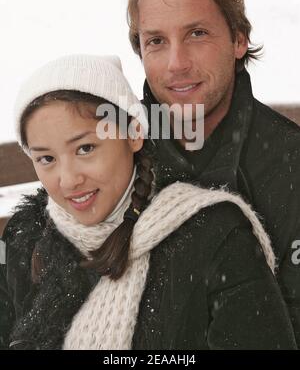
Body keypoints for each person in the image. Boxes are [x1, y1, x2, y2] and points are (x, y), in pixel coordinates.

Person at [0, 54, 296, 350]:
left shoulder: (213, 235)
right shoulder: (25, 235)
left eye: (85, 148)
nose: (67, 180)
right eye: (47, 159)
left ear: (134, 134)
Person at [127, 0, 300, 346]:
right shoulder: (112, 154)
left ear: (239, 39)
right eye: (156, 41)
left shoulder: (291, 166)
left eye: (197, 33)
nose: (176, 63)